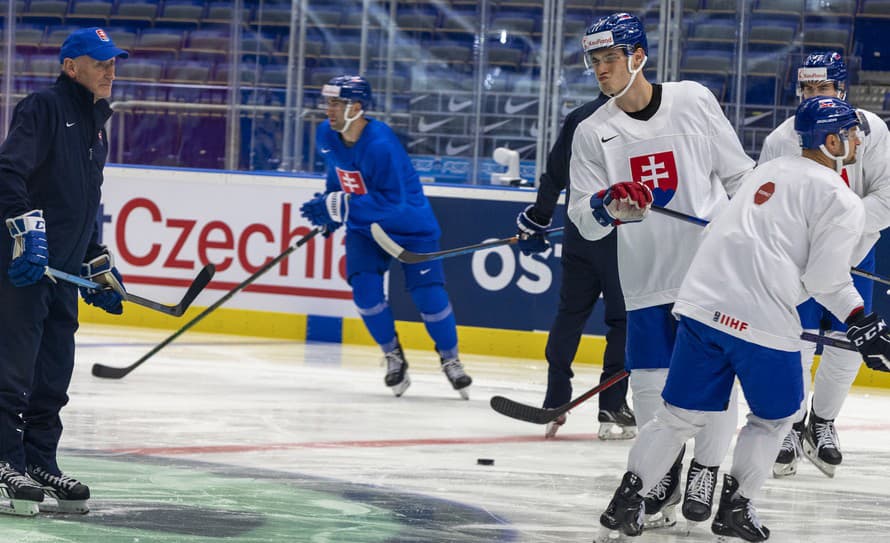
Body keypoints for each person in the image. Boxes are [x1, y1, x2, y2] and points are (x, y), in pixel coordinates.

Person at [594, 96, 889, 542]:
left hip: (701, 305)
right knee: (778, 418)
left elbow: (719, 229)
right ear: (830, 141)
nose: (855, 141)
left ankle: (626, 503)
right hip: (763, 321)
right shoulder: (843, 200)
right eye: (850, 133)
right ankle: (736, 508)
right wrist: (862, 322)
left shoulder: (766, 172)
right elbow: (826, 277)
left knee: (676, 418)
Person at [567, 12, 755, 529]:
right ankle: (665, 471)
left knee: (716, 385)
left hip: (711, 278)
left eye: (610, 58)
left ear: (639, 57)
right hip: (646, 281)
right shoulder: (592, 132)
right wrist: (607, 204)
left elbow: (740, 174)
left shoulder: (693, 100)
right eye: (594, 61)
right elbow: (584, 220)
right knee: (652, 395)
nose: (600, 69)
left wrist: (759, 237)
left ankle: (706, 470)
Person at [0, 27, 129, 516]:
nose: (110, 70)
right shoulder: (43, 108)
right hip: (24, 267)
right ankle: (2, 461)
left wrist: (95, 262)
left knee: (53, 375)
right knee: (13, 371)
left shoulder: (97, 125)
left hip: (61, 273)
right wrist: (26, 235)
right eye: (100, 63)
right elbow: (9, 174)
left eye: (114, 62)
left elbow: (80, 204)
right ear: (71, 66)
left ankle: (37, 462)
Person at [759, 51, 890, 479]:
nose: (813, 96)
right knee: (796, 342)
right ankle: (792, 427)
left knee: (847, 345)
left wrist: (841, 233)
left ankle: (822, 423)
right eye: (807, 89)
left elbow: (886, 199)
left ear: (842, 90)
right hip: (798, 257)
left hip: (855, 253)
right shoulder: (782, 139)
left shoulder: (873, 132)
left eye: (824, 88)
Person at [300, 75, 472, 399]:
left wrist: (343, 206)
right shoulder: (326, 134)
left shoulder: (380, 144)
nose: (329, 109)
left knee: (428, 298)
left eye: (336, 103)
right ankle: (393, 355)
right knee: (364, 293)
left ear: (357, 107)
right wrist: (331, 209)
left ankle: (451, 360)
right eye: (328, 102)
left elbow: (393, 203)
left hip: (411, 228)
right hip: (364, 229)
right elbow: (336, 176)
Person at [515, 92, 636, 440]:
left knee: (570, 314)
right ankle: (612, 404)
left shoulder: (579, 117)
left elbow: (553, 176)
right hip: (619, 238)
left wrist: (537, 219)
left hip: (579, 233)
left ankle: (555, 398)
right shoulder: (638, 120)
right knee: (621, 320)